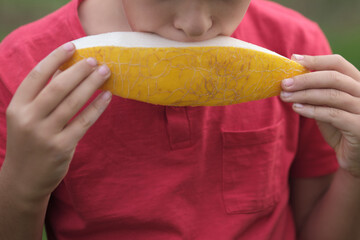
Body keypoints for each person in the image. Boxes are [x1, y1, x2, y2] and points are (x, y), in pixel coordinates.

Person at [0, 0, 360, 239]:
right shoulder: (20, 73)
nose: (195, 26)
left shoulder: (295, 45)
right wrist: (22, 191)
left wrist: (355, 172)